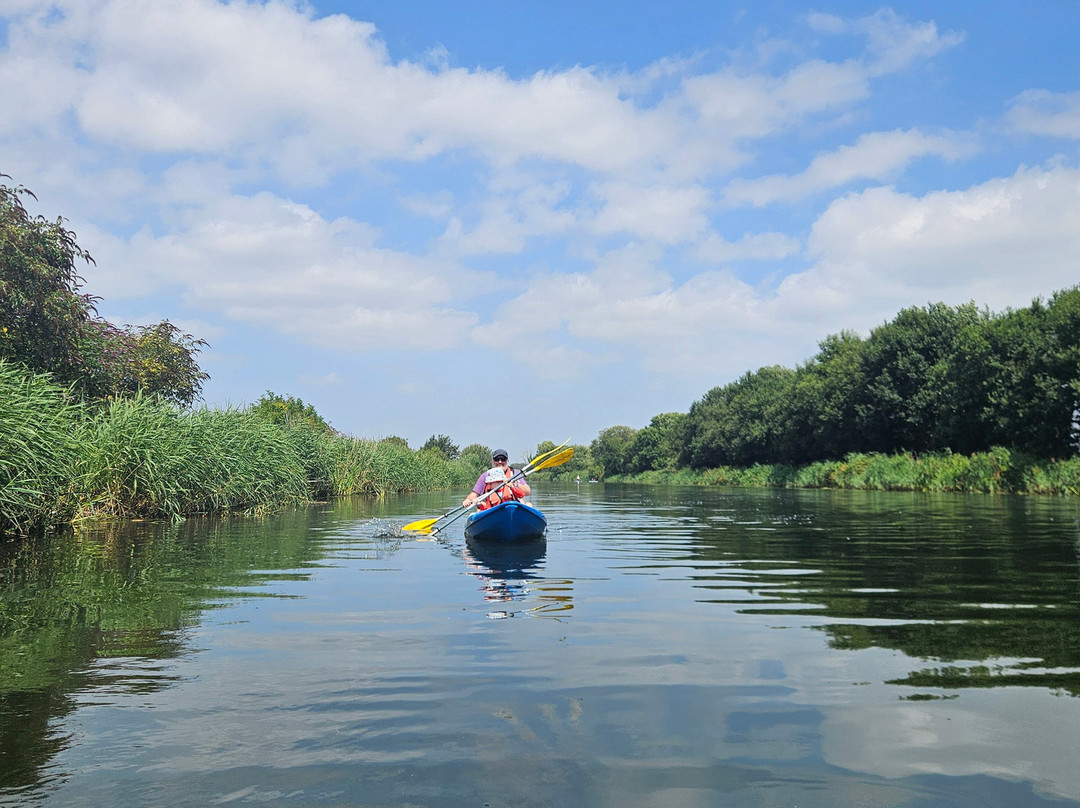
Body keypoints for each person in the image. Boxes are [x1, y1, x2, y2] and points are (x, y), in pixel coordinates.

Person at [463, 449, 531, 510]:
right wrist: (469, 500)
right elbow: (475, 494)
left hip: (513, 509)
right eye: (497, 459)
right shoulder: (486, 476)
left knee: (527, 504)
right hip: (495, 511)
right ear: (493, 461)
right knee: (479, 510)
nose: (500, 462)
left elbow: (525, 493)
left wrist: (514, 485)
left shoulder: (514, 473)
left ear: (507, 461)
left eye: (503, 459)